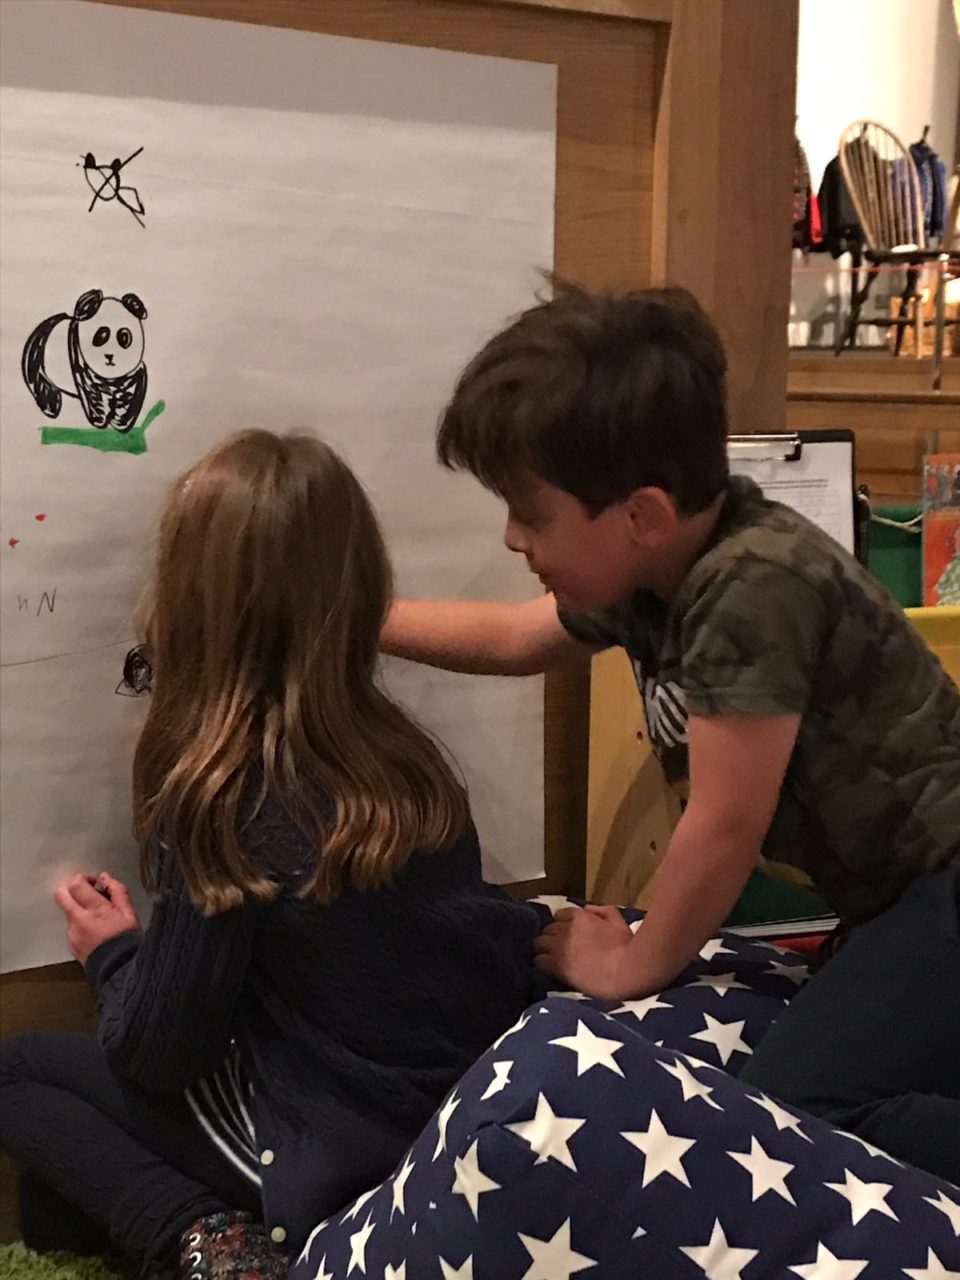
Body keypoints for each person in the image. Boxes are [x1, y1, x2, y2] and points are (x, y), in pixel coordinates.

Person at [381, 283, 960, 1183]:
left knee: (801, 1108)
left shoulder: (749, 587)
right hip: (903, 901)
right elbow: (513, 639)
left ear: (641, 515)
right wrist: (360, 617)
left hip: (943, 888)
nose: (510, 538)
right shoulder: (653, 576)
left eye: (530, 514)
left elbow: (724, 824)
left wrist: (631, 963)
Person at [0, 430, 545, 1273]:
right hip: (440, 1116)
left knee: (15, 1071)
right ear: (363, 586)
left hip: (318, 1138)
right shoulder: (408, 760)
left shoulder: (221, 795)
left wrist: (113, 956)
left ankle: (208, 1242)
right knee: (53, 1204)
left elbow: (160, 1051)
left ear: (187, 599)